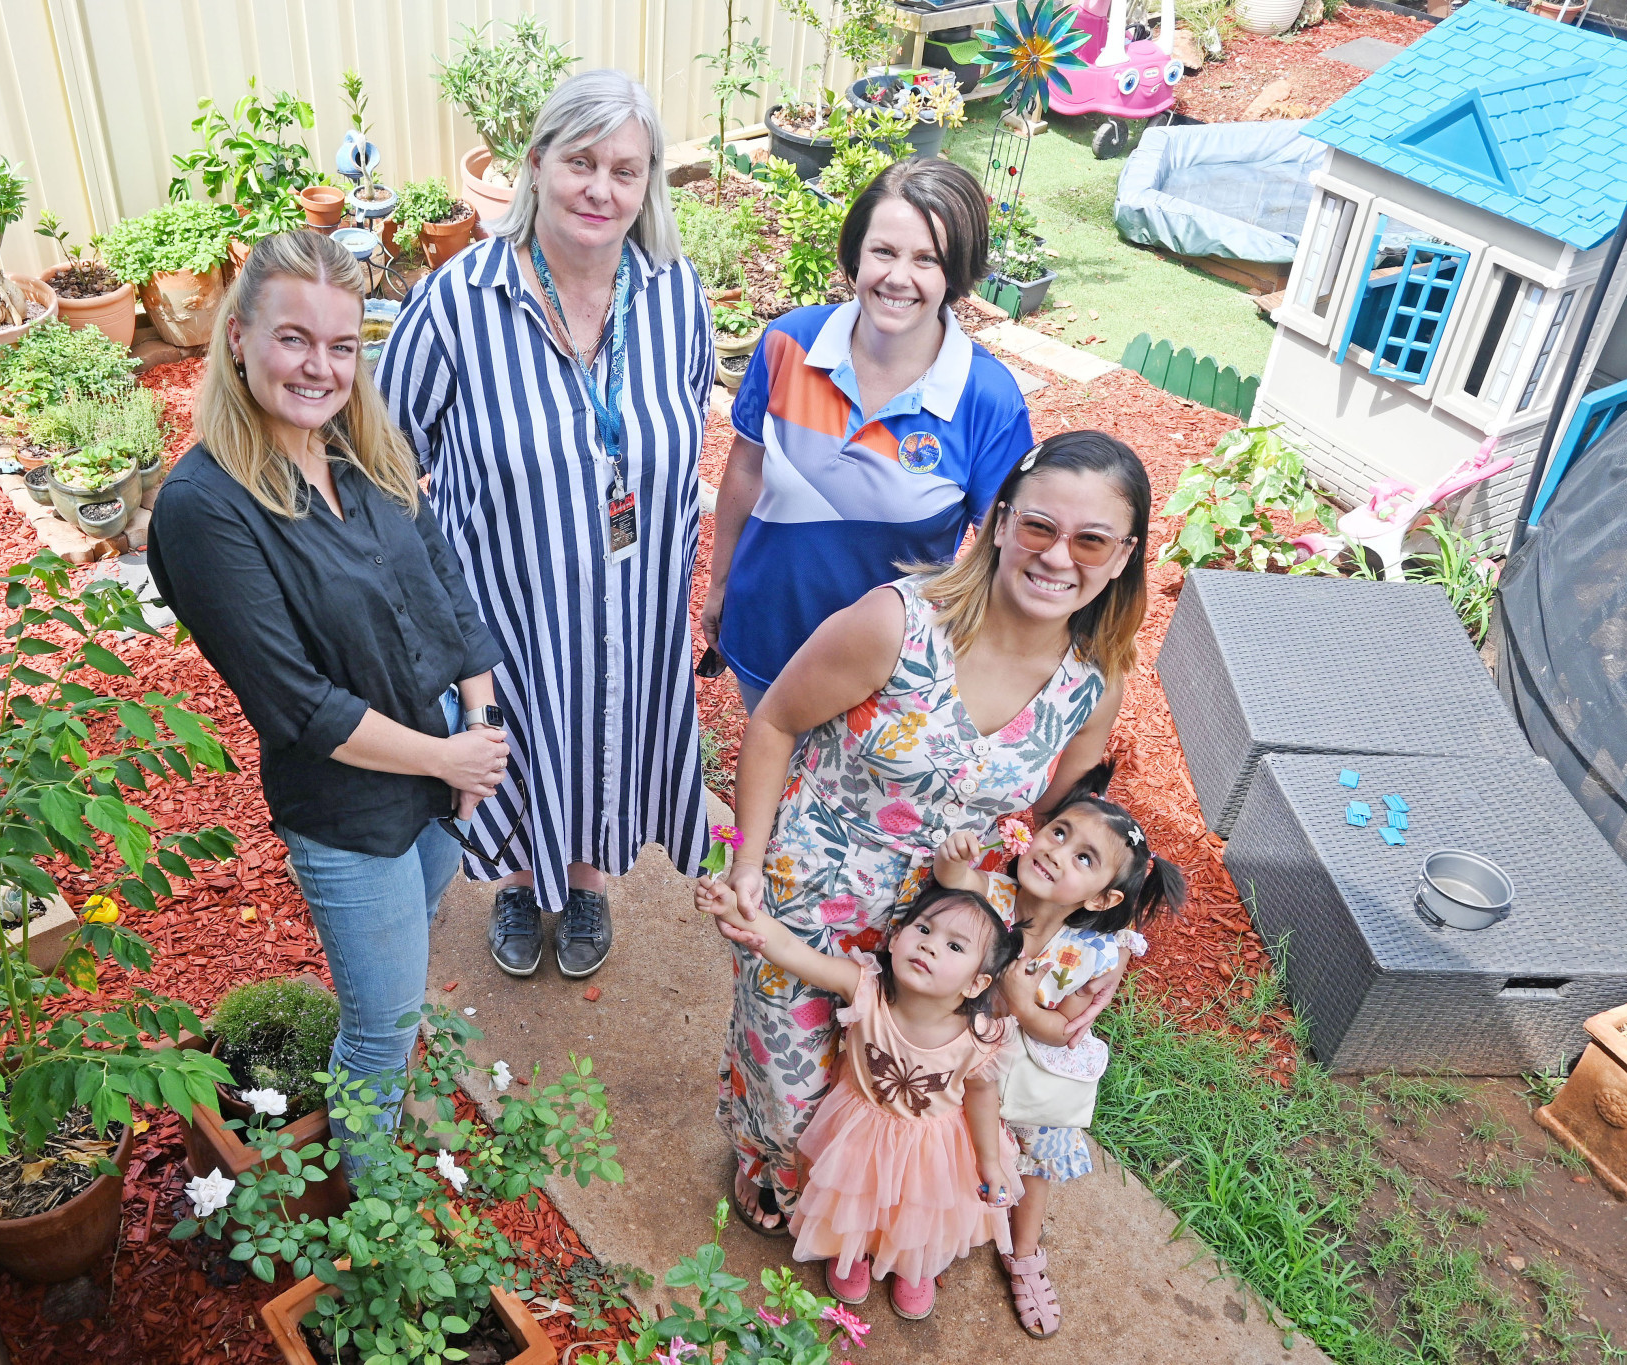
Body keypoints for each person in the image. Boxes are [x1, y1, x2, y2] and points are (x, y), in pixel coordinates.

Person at [716, 429, 1158, 1234]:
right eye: (1039, 527)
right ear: (999, 522)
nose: (1060, 557)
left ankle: (845, 1191)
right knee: (792, 1075)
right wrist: (747, 861)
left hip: (953, 913)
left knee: (899, 1079)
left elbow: (1057, 819)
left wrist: (1083, 941)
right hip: (818, 887)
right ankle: (766, 1164)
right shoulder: (896, 624)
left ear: (1122, 556)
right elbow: (776, 720)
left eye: (1091, 539)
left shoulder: (1094, 684)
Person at [146, 231, 509, 1143]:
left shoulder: (359, 449)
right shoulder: (206, 509)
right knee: (379, 1035)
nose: (320, 367)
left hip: (436, 773)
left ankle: (372, 1158)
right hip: (348, 810)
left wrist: (477, 714)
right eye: (294, 338)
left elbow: (444, 575)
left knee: (406, 965)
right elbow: (296, 703)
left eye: (342, 346)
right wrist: (453, 755)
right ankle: (368, 1228)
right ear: (238, 335)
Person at [378, 69, 712, 982]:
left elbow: (685, 447)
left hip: (635, 596)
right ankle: (521, 883)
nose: (601, 189)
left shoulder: (677, 297)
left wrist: (678, 583)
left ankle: (592, 877)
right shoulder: (459, 301)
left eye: (626, 169)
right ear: (536, 166)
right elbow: (380, 454)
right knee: (523, 738)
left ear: (647, 185)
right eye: (580, 162)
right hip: (505, 605)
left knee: (610, 728)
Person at [703, 158, 1032, 713]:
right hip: (768, 628)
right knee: (772, 783)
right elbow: (746, 467)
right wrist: (721, 583)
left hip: (888, 671)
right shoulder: (788, 343)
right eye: (884, 251)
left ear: (956, 272)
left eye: (927, 259)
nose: (898, 277)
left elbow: (1005, 549)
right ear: (855, 252)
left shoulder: (987, 399)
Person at [932, 768, 1188, 1337]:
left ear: (1103, 898)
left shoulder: (1089, 954)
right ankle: (937, 1231)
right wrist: (955, 855)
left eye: (1084, 859)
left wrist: (1024, 1006)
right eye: (1059, 834)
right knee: (949, 1147)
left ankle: (1024, 1255)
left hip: (1027, 1073)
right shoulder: (994, 896)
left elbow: (1063, 1030)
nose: (1058, 852)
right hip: (961, 1057)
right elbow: (952, 879)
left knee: (1037, 1156)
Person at [698, 876, 1020, 1321]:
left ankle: (913, 1261)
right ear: (896, 937)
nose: (929, 946)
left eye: (954, 947)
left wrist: (989, 1161)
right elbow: (794, 953)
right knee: (856, 1193)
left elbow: (983, 1099)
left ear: (975, 984)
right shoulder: (866, 989)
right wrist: (734, 910)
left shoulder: (978, 1039)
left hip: (932, 1145)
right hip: (860, 1128)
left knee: (920, 1204)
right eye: (924, 930)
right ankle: (852, 1248)